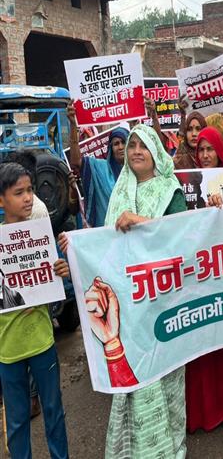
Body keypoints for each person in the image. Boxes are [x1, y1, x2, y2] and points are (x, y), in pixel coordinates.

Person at [92, 124, 187, 458]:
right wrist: (75, 249)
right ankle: (136, 448)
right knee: (133, 374)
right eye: (131, 146)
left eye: (143, 146)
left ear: (155, 152)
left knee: (164, 373)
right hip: (128, 301)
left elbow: (183, 237)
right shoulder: (120, 191)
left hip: (162, 298)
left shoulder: (169, 190)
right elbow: (104, 243)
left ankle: (168, 445)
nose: (135, 151)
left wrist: (141, 221)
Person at [0, 162, 70, 459]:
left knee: (54, 411)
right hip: (8, 348)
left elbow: (54, 283)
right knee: (17, 421)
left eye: (30, 190)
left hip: (42, 341)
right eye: (19, 193)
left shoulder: (42, 237)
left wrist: (62, 270)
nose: (28, 198)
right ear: (1, 200)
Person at [186, 125, 223, 434]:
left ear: (220, 152)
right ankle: (199, 408)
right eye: (201, 149)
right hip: (197, 275)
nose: (205, 155)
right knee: (200, 345)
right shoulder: (186, 183)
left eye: (211, 149)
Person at [67, 101, 129, 227]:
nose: (120, 147)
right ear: (110, 148)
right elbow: (76, 161)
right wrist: (73, 124)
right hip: (107, 232)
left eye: (124, 142)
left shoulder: (139, 170)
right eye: (116, 144)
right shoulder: (101, 168)